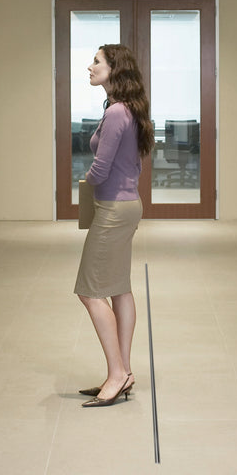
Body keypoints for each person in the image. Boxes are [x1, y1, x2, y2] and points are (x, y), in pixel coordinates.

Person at [75, 44, 154, 407]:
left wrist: (85, 181)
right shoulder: (124, 108)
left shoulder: (117, 111)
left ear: (114, 69)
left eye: (97, 62)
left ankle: (116, 373)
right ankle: (125, 372)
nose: (90, 67)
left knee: (90, 291)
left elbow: (102, 168)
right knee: (119, 288)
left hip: (113, 209)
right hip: (126, 205)